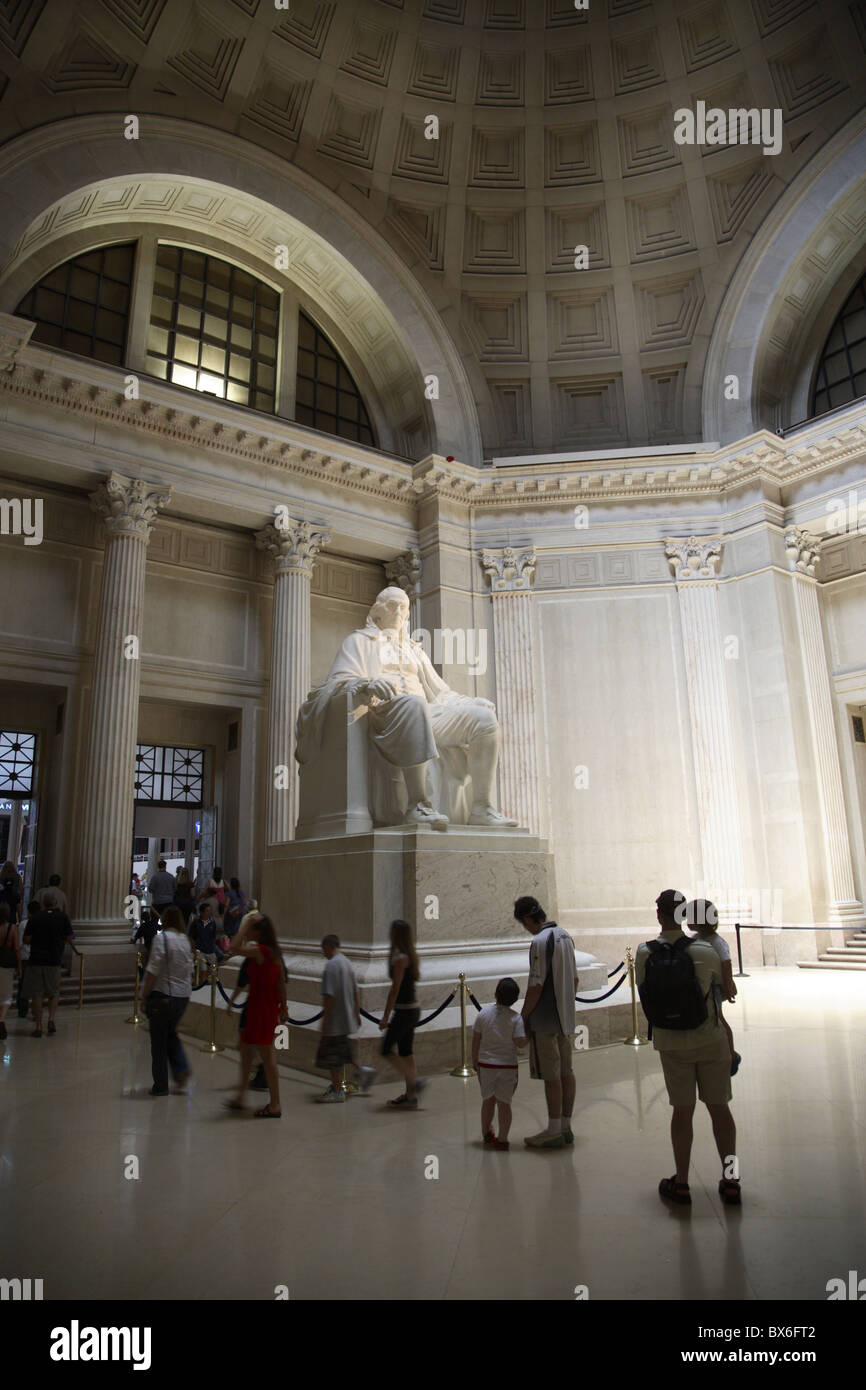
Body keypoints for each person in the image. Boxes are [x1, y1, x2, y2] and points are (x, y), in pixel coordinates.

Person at [636, 890, 740, 1207]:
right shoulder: (707, 951)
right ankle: (731, 1179)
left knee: (682, 1112)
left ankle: (681, 1183)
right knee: (719, 1109)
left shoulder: (644, 953)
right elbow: (723, 993)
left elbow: (644, 994)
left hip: (672, 1044)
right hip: (710, 1039)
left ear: (659, 915)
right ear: (683, 915)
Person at [514, 896, 579, 1149]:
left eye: (524, 923)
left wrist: (523, 1019)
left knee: (551, 1074)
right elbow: (574, 981)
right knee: (566, 1072)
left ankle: (553, 1129)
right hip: (565, 1017)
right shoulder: (565, 935)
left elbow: (536, 985)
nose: (526, 928)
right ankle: (565, 1125)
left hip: (545, 1020)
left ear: (528, 919)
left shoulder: (540, 941)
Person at [224, 913, 288, 1118]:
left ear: (258, 931)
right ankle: (241, 1096)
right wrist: (284, 1008)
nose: (249, 932)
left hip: (260, 1009)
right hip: (261, 1008)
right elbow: (281, 983)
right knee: (247, 1052)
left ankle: (275, 1103)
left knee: (267, 1057)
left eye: (252, 928)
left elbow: (232, 947)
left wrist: (243, 927)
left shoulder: (260, 951)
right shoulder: (275, 953)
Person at [140, 905, 193, 1096]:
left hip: (164, 994)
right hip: (183, 996)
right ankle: (181, 1070)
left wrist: (143, 994)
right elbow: (189, 970)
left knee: (159, 1041)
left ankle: (161, 1085)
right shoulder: (185, 940)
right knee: (170, 1033)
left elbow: (153, 970)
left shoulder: (162, 939)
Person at [685, 898, 740, 1076]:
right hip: (703, 987)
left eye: (691, 917)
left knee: (720, 1019)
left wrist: (728, 985)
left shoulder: (716, 941)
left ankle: (730, 1055)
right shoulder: (695, 939)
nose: (687, 920)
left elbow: (726, 963)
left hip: (714, 987)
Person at [315, 934, 374, 1102]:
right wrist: (356, 1013)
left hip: (334, 1020)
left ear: (328, 947)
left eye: (323, 950)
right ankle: (363, 1071)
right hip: (346, 1017)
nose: (323, 954)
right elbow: (356, 991)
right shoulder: (347, 963)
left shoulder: (331, 966)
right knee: (344, 1052)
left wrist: (325, 1020)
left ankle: (337, 1090)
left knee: (331, 1057)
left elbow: (329, 995)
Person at [471, 977, 528, 1150]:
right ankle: (503, 1138)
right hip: (507, 1066)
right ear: (515, 999)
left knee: (487, 1100)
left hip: (486, 1064)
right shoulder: (516, 1019)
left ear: (495, 994)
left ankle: (486, 1132)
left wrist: (475, 1060)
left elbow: (476, 1039)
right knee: (504, 1103)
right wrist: (530, 1035)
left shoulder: (482, 1014)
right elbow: (520, 1042)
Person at [378, 919, 428, 1108]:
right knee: (406, 1052)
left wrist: (385, 1017)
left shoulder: (400, 959)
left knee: (386, 1049)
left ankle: (414, 1083)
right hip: (411, 1010)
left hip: (405, 1011)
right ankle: (410, 1097)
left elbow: (395, 989)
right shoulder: (410, 955)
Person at [21, 890, 74, 1037]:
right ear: (55, 903)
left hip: (36, 959)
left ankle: (38, 1026)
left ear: (43, 903)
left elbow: (26, 940)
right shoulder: (62, 917)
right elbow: (70, 937)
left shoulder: (35, 917)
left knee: (37, 994)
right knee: (54, 992)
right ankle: (51, 1019)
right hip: (54, 959)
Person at [0, 902, 21, 1040]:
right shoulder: (12, 928)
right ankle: (1, 1020)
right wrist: (19, 967)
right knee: (6, 995)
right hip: (6, 965)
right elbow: (17, 949)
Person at [188, 900, 221, 972]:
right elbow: (191, 936)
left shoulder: (212, 923)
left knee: (213, 972)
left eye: (210, 911)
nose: (209, 913)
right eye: (207, 911)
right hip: (200, 951)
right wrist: (194, 949)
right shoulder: (196, 923)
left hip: (210, 950)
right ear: (202, 912)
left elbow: (213, 936)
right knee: (203, 971)